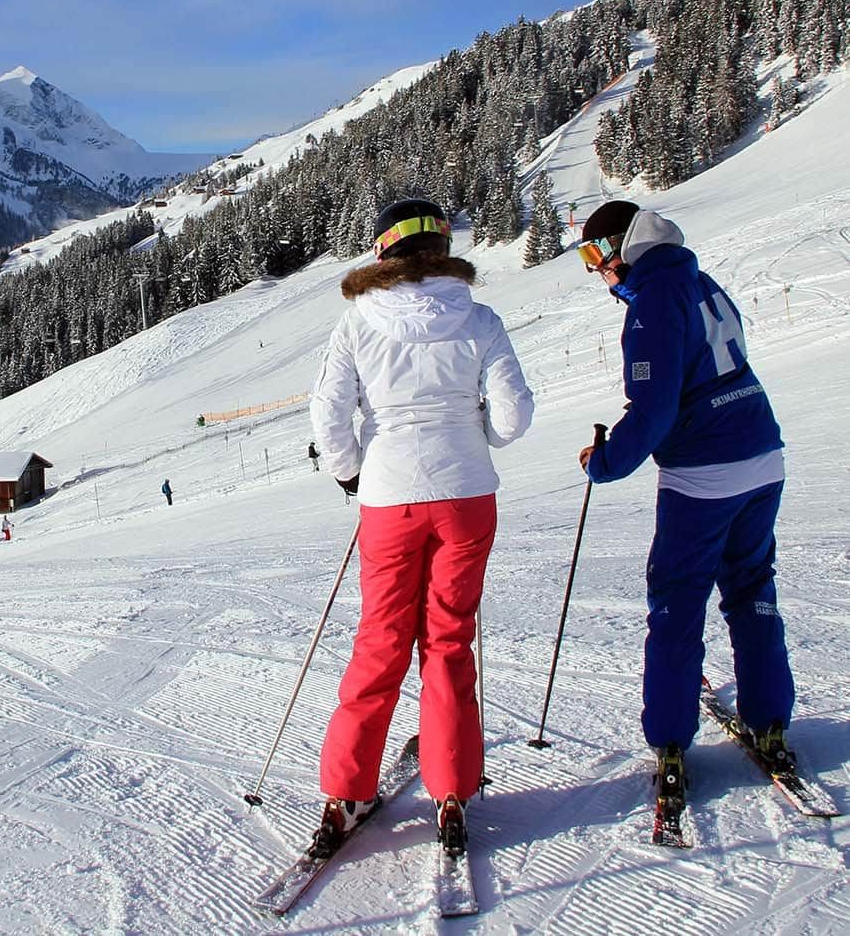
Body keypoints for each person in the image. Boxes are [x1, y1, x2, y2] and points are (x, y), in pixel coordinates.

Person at [308, 197, 533, 859]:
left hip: (388, 499)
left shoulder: (357, 323)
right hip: (467, 494)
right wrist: (478, 435)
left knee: (380, 641)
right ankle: (454, 788)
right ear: (443, 246)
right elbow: (514, 416)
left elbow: (328, 419)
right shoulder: (479, 317)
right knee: (448, 640)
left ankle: (347, 789)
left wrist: (354, 475)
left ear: (383, 252)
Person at [574, 200, 795, 794]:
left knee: (677, 601)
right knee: (751, 590)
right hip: (761, 455)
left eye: (597, 254)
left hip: (704, 474)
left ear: (624, 246)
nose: (597, 270)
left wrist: (608, 461)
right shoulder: (697, 279)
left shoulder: (652, 303)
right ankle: (770, 719)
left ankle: (671, 737)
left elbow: (655, 407)